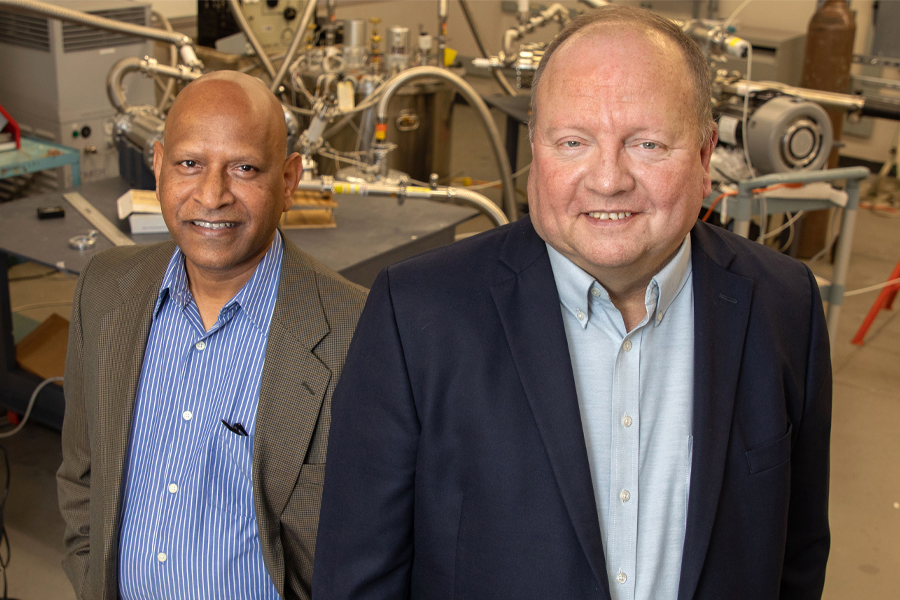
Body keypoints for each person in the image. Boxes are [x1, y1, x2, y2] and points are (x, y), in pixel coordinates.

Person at [313, 6, 831, 600]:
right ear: (536, 149)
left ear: (706, 154)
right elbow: (357, 579)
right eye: (573, 142)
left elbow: (797, 552)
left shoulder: (784, 306)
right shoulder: (418, 316)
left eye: (648, 143)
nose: (608, 180)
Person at [57, 71, 367, 600]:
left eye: (244, 168)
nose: (211, 194)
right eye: (189, 164)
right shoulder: (106, 290)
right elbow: (81, 475)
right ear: (157, 167)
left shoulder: (357, 330)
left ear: (289, 181)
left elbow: (375, 543)